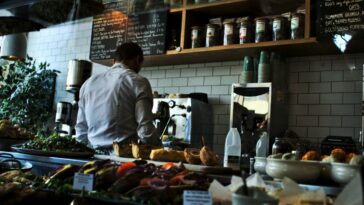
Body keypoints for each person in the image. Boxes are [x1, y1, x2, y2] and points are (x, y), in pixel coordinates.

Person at [75, 42, 160, 152]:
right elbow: (145, 129)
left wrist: (87, 153)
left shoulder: (88, 83)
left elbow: (81, 129)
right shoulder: (138, 81)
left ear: (114, 61)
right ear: (137, 60)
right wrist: (159, 149)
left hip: (92, 156)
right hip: (123, 157)